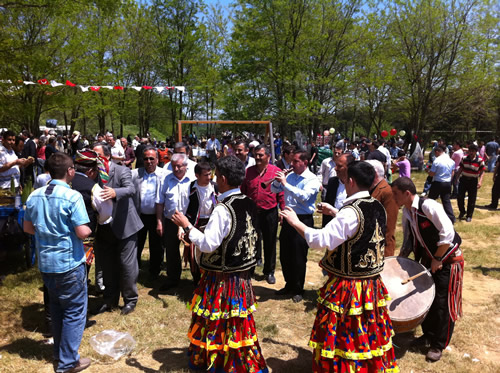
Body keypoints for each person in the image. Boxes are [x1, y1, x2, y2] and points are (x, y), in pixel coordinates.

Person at [280, 161, 399, 372]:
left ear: (350, 181)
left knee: (345, 332)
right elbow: (361, 229)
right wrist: (336, 212)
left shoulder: (351, 212)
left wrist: (295, 221)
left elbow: (320, 240)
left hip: (348, 287)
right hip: (371, 285)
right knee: (367, 328)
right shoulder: (376, 206)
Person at [170, 155, 268, 373]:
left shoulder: (223, 208)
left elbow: (208, 244)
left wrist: (187, 226)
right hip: (242, 277)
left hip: (222, 280)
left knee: (217, 320)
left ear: (222, 178)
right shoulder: (249, 202)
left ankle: (219, 360)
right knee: (237, 322)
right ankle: (238, 359)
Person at [23, 152, 92, 373]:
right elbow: (82, 232)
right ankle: (68, 362)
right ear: (70, 170)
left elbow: (27, 228)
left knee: (57, 309)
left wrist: (46, 233)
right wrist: (90, 228)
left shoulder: (34, 196)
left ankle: (59, 354)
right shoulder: (73, 197)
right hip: (69, 264)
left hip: (46, 264)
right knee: (74, 312)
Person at [392, 177, 464, 362]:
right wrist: (401, 259)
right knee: (427, 300)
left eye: (396, 194)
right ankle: (428, 334)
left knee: (442, 303)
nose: (393, 197)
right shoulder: (407, 212)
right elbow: (409, 238)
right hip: (430, 260)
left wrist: (438, 258)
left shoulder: (429, 206)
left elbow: (448, 233)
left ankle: (438, 344)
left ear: (407, 193)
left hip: (448, 260)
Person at [92, 142, 143, 316]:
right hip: (104, 228)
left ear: (106, 156)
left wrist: (115, 192)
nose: (94, 159)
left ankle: (130, 300)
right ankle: (109, 299)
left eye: (97, 155)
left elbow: (130, 189)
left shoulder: (121, 170)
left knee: (127, 266)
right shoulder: (92, 174)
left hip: (125, 226)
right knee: (107, 266)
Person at [271, 149, 321, 302]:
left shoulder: (312, 179)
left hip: (302, 219)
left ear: (305, 163)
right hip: (287, 217)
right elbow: (274, 189)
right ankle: (289, 284)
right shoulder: (290, 176)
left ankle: (299, 288)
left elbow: (304, 197)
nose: (292, 164)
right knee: (285, 254)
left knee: (299, 255)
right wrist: (277, 180)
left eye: (296, 162)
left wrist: (285, 184)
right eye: (292, 161)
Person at [241, 144, 285, 284]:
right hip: (252, 212)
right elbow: (243, 191)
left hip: (270, 212)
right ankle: (250, 268)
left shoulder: (276, 172)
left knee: (270, 242)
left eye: (261, 155)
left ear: (268, 156)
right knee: (251, 241)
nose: (258, 157)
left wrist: (283, 211)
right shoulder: (248, 172)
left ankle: (269, 271)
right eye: (256, 155)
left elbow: (281, 193)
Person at [156, 153, 195, 290]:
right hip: (171, 221)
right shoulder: (165, 179)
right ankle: (173, 278)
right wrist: (159, 222)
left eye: (179, 166)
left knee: (192, 251)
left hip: (189, 221)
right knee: (171, 251)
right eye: (174, 166)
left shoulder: (193, 180)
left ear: (186, 166)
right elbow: (160, 203)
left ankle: (196, 279)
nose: (176, 169)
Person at [181, 162, 218, 285]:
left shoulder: (215, 187)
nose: (209, 177)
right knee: (194, 254)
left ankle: (210, 280)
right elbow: (183, 209)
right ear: (197, 175)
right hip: (194, 223)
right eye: (205, 175)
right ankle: (197, 280)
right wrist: (182, 228)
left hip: (211, 223)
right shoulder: (189, 188)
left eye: (210, 174)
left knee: (211, 252)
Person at [131, 146, 165, 280]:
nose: (149, 161)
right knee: (137, 244)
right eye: (146, 159)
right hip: (139, 216)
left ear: (157, 159)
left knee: (156, 245)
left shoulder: (164, 175)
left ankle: (155, 271)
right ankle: (135, 270)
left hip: (157, 216)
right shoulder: (134, 174)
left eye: (152, 158)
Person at [365, 160, 399, 257]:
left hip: (381, 251)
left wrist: (386, 257)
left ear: (374, 173)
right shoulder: (372, 189)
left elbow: (389, 228)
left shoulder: (387, 192)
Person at [321, 153, 353, 227]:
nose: (335, 168)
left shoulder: (357, 186)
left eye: (339, 166)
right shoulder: (332, 182)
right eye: (336, 165)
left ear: (349, 167)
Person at [455, 144, 485, 222]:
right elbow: (460, 169)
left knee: (472, 199)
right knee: (460, 196)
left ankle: (469, 215)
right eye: (470, 151)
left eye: (473, 151)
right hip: (463, 180)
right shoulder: (464, 158)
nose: (471, 152)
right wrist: (456, 178)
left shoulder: (480, 160)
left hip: (473, 181)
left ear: (476, 152)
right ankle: (462, 211)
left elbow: (482, 172)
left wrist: (480, 181)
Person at [427, 144, 456, 223]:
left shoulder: (437, 161)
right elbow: (453, 172)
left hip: (438, 182)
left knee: (431, 200)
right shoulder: (451, 161)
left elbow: (432, 173)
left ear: (437, 152)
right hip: (447, 182)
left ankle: (428, 215)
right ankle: (451, 217)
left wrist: (427, 171)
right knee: (446, 201)